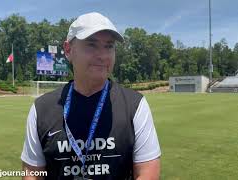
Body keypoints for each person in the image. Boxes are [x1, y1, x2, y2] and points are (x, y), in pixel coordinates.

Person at [21, 12, 161, 180]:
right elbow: (32, 174)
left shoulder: (135, 105)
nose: (102, 56)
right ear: (68, 50)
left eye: (109, 46)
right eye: (91, 45)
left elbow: (148, 172)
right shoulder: (41, 109)